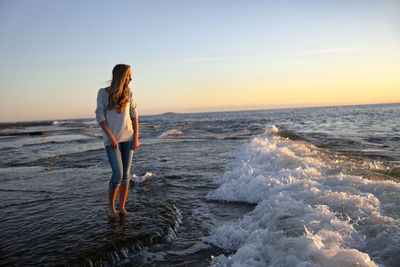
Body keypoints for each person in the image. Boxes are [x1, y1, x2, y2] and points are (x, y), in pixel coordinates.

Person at [95, 64, 139, 218]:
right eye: (128, 75)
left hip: (128, 139)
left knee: (126, 175)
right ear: (121, 76)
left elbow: (134, 115)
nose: (131, 78)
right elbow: (100, 116)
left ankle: (122, 207)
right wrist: (111, 136)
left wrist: (136, 138)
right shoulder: (102, 93)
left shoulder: (129, 92)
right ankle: (110, 207)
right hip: (112, 140)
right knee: (117, 174)